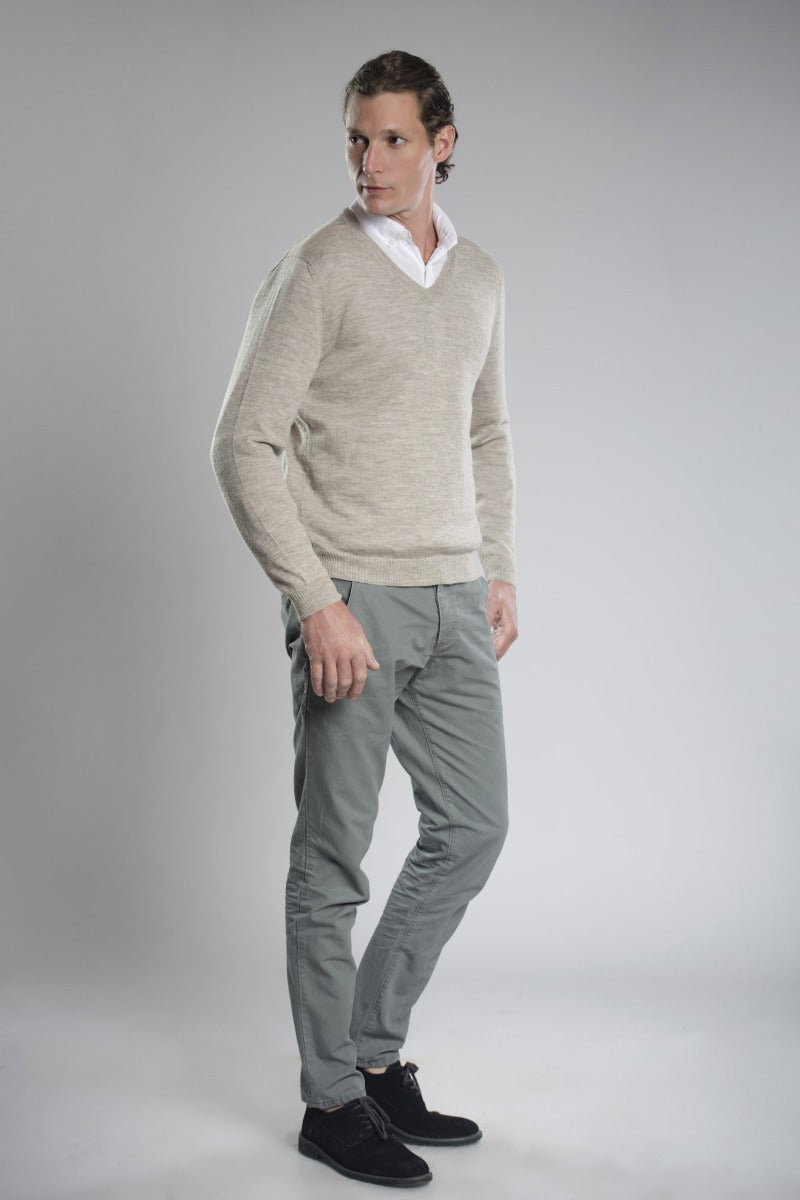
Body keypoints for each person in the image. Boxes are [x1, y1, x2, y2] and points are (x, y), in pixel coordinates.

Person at [210, 48, 518, 1189]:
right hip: (352, 598)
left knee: (472, 827)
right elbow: (242, 443)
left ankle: (374, 1057)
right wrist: (317, 601)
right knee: (331, 861)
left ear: (441, 143)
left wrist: (498, 566)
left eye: (391, 138)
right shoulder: (318, 270)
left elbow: (485, 430)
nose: (369, 161)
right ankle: (330, 1100)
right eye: (355, 137)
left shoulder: (479, 276)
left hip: (454, 592)